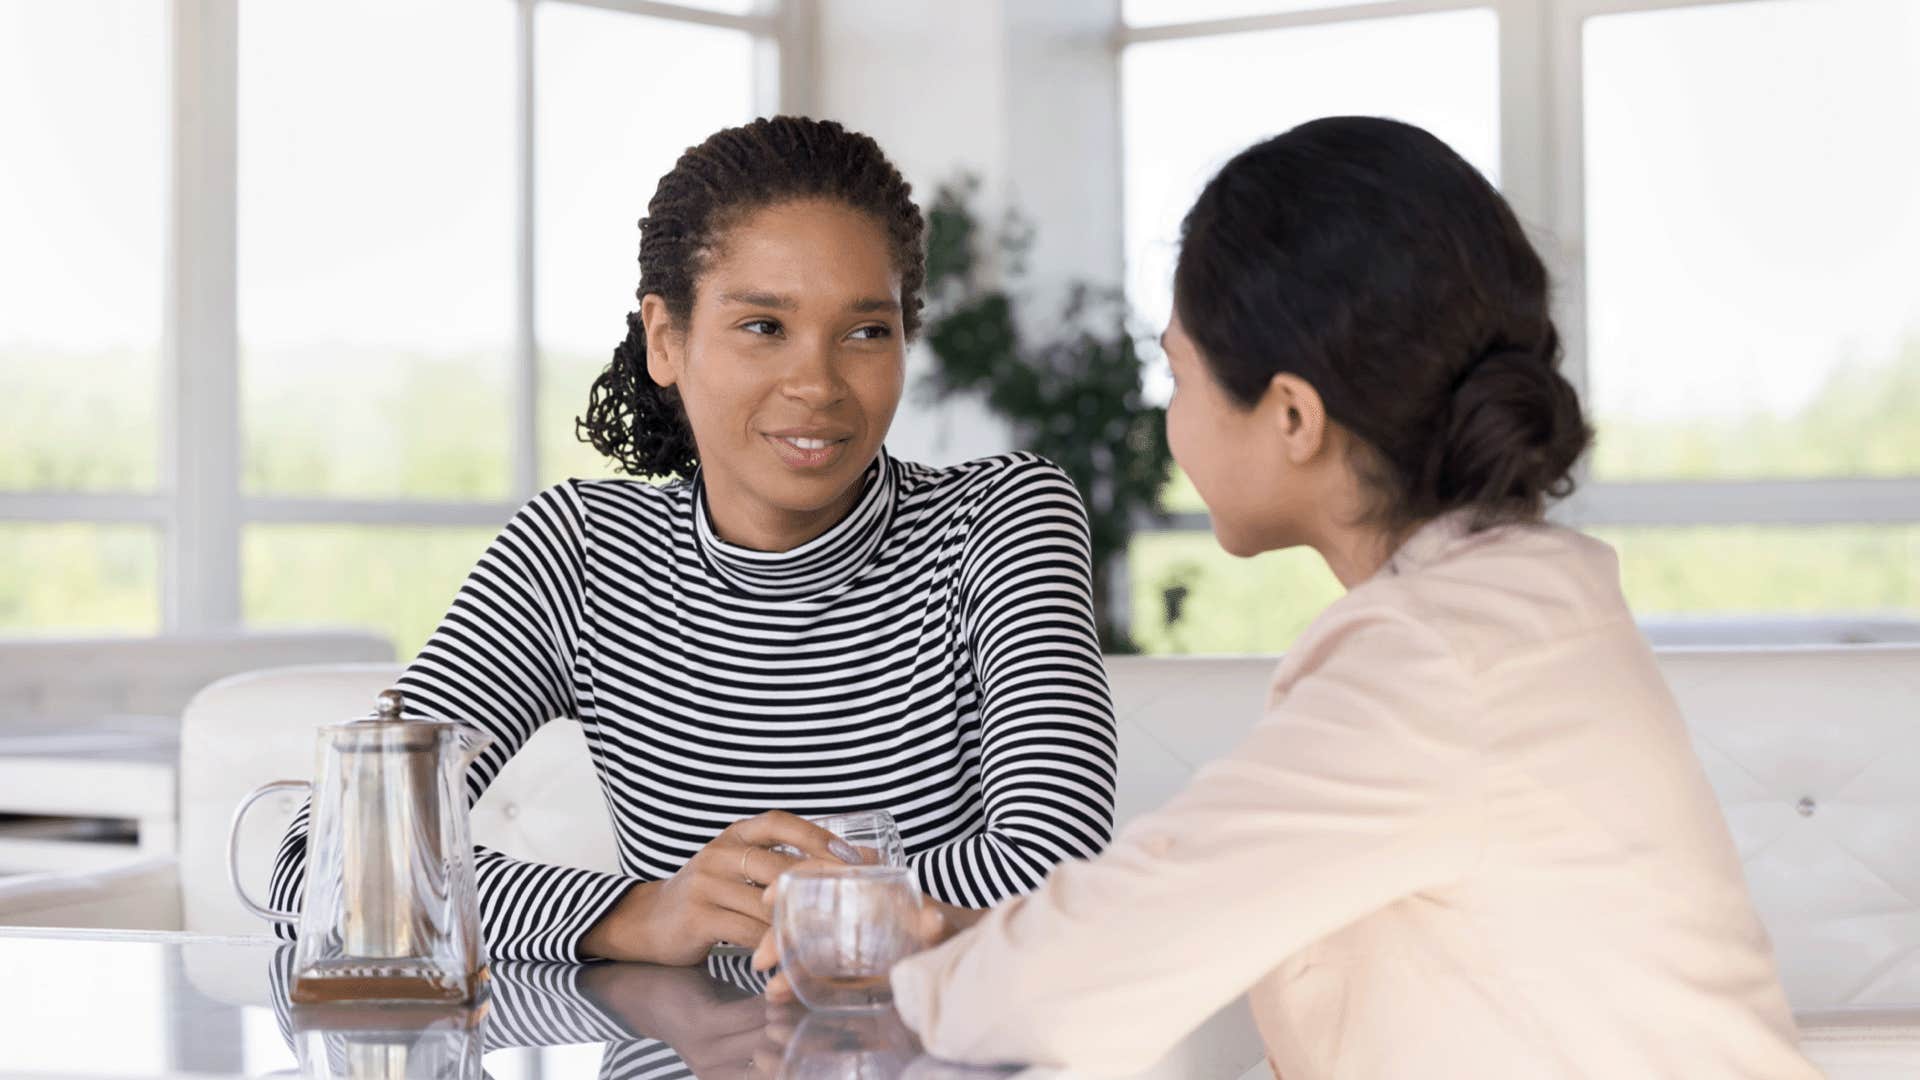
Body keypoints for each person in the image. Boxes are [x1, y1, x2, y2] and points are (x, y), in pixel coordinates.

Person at [769, 116, 1818, 1078]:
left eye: (1176, 377)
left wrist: (896, 976)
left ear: (1293, 417)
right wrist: (962, 939)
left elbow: (1089, 972)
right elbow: (1183, 917)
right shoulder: (1500, 614)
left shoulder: (1433, 663)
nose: (1165, 421)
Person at [267, 116, 1117, 966]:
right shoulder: (581, 553)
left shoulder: (1003, 519)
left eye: (866, 332)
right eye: (763, 327)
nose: (818, 384)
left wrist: (763, 903)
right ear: (667, 339)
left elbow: (1056, 869)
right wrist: (641, 914)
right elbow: (327, 862)